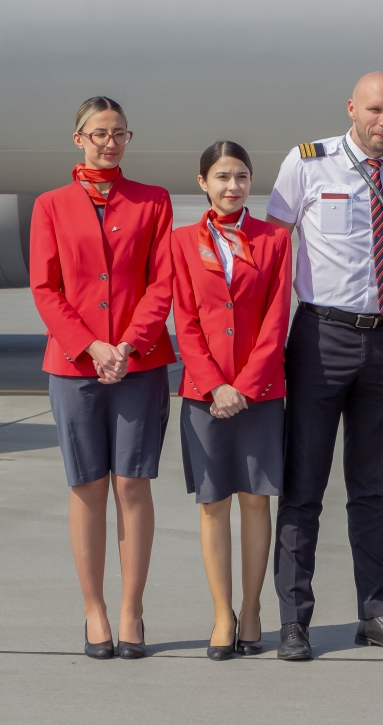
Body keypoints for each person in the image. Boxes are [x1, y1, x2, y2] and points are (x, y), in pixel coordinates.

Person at [264, 72, 383, 661]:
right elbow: (274, 255)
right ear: (352, 109)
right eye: (375, 110)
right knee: (303, 488)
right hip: (320, 338)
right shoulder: (309, 163)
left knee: (372, 490)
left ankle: (377, 614)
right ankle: (294, 621)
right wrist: (265, 344)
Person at [30, 96, 175, 660]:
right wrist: (91, 346)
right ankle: (94, 611)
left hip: (139, 362)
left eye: (119, 134)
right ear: (79, 139)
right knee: (88, 485)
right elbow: (45, 288)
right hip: (74, 365)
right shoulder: (50, 205)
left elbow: (162, 282)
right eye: (99, 133)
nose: (110, 143)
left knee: (133, 485)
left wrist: (128, 344)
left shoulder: (153, 200)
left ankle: (132, 609)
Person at [171, 141, 292, 661]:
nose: (232, 186)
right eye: (222, 176)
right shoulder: (181, 242)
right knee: (213, 502)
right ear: (203, 182)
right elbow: (185, 319)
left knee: (256, 499)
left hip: (258, 393)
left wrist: (243, 385)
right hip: (205, 395)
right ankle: (223, 614)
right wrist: (214, 384)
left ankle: (253, 607)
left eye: (241, 176)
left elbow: (276, 318)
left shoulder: (274, 239)